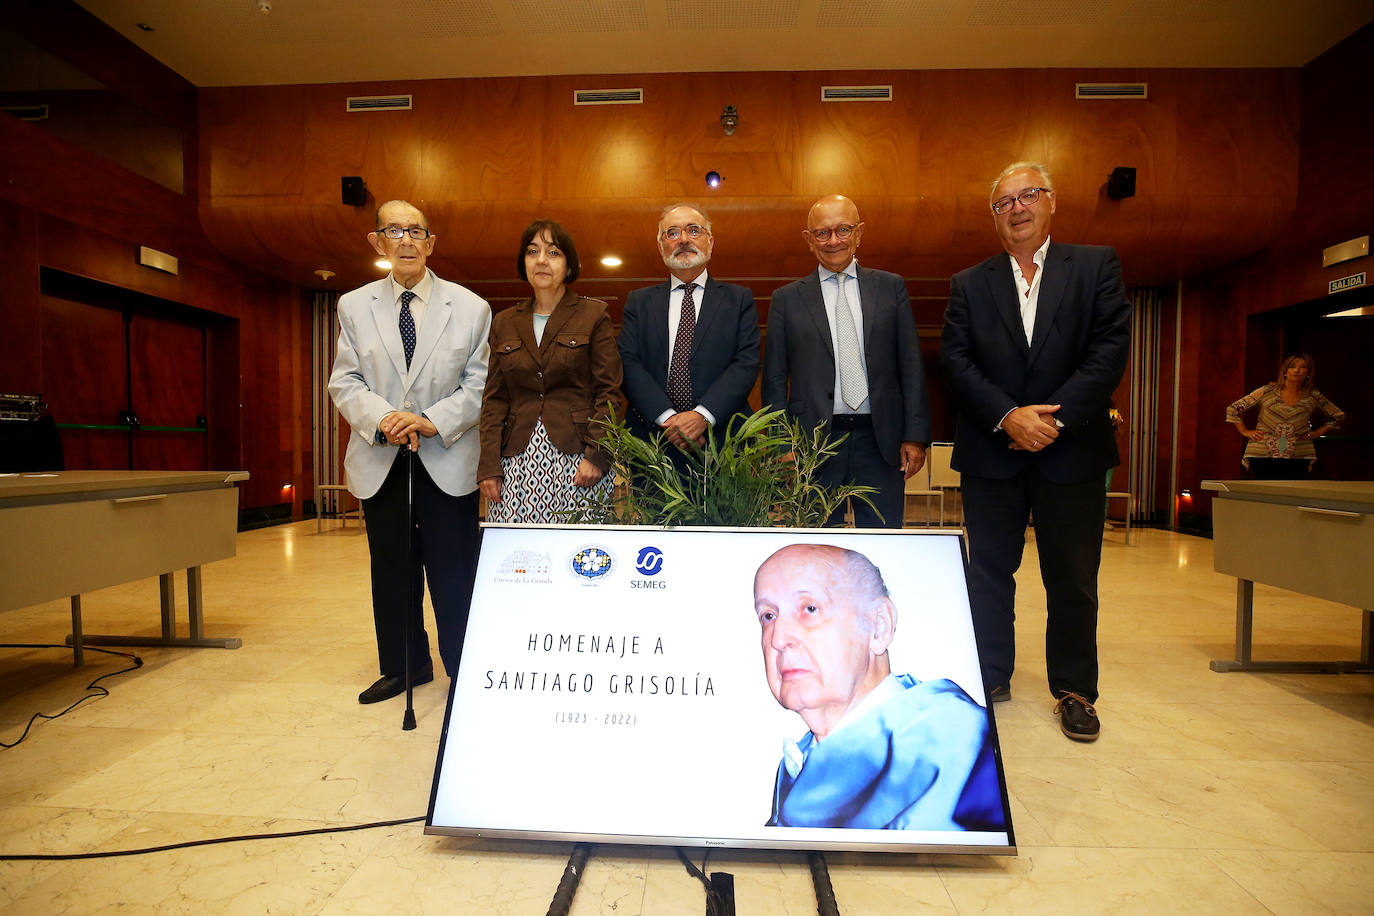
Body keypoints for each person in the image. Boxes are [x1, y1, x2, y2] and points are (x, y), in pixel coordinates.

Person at [940, 162, 1131, 741]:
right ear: (994, 217)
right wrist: (1008, 416)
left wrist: (1054, 419)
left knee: (1073, 578)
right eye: (1003, 202)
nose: (1017, 208)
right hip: (993, 451)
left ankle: (1075, 690)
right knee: (990, 572)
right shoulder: (969, 282)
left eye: (1028, 196)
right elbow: (956, 360)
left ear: (1051, 203)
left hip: (1070, 450)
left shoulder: (1096, 265)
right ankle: (990, 675)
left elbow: (1108, 350)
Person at [328, 200, 491, 704]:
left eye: (416, 232)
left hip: (446, 458)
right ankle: (404, 665)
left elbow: (479, 384)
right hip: (382, 458)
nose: (406, 241)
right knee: (393, 570)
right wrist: (385, 420)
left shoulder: (470, 307)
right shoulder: (353, 306)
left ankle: (464, 669)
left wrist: (428, 421)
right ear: (377, 241)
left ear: (431, 243)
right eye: (394, 231)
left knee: (452, 570)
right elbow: (345, 380)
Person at [752, 544, 1002, 831]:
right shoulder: (800, 760)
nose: (778, 638)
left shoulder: (961, 745)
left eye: (810, 609)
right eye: (768, 616)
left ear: (878, 626)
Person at [762, 195, 930, 528]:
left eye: (843, 229)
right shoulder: (786, 299)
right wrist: (781, 444)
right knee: (819, 546)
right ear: (809, 240)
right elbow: (775, 378)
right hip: (813, 446)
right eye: (822, 233)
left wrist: (914, 435)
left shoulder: (891, 287)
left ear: (859, 233)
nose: (834, 240)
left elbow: (910, 365)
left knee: (883, 541)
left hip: (881, 442)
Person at [478, 219, 625, 522]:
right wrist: (488, 465)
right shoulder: (504, 322)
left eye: (553, 253)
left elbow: (609, 393)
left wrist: (597, 456)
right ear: (524, 263)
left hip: (579, 457)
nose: (542, 260)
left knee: (579, 558)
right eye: (533, 252)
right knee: (519, 558)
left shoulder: (593, 315)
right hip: (515, 461)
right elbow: (494, 401)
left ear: (569, 265)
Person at [618, 204, 760, 453]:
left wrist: (702, 416)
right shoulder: (638, 302)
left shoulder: (739, 300)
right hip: (654, 442)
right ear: (660, 246)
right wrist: (669, 420)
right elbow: (627, 364)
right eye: (672, 233)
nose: (683, 239)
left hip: (723, 441)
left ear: (710, 242)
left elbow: (746, 363)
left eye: (694, 231)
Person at [1225, 352, 1344, 472]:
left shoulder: (1313, 396)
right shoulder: (1266, 391)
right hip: (1262, 452)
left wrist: (1318, 432)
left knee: (1294, 490)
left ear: (1308, 373)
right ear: (1285, 371)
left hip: (1298, 454)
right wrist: (1244, 431)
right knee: (1264, 490)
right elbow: (1233, 409)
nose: (1296, 370)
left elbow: (1337, 416)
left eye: (1302, 367)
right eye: (1292, 366)